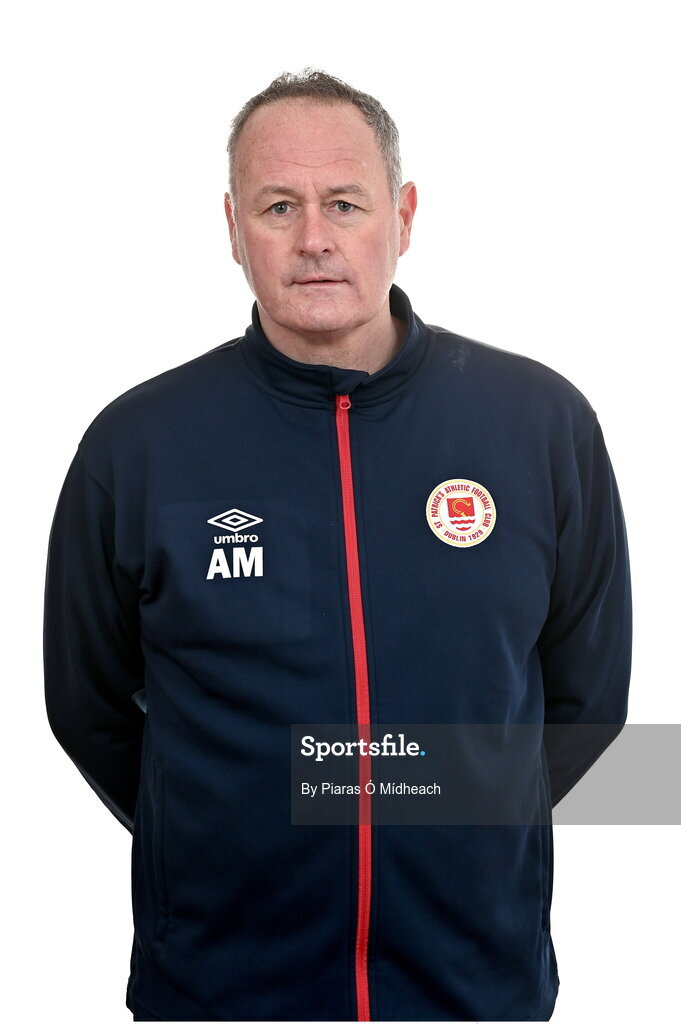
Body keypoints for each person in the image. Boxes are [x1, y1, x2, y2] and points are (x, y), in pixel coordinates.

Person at [43, 68, 632, 1022]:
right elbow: (88, 706)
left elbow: (584, 702)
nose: (313, 238)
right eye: (279, 206)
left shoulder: (539, 424)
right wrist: (232, 832)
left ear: (400, 215)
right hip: (221, 987)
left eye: (343, 202)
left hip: (471, 986)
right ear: (232, 228)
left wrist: (441, 822)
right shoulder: (140, 443)